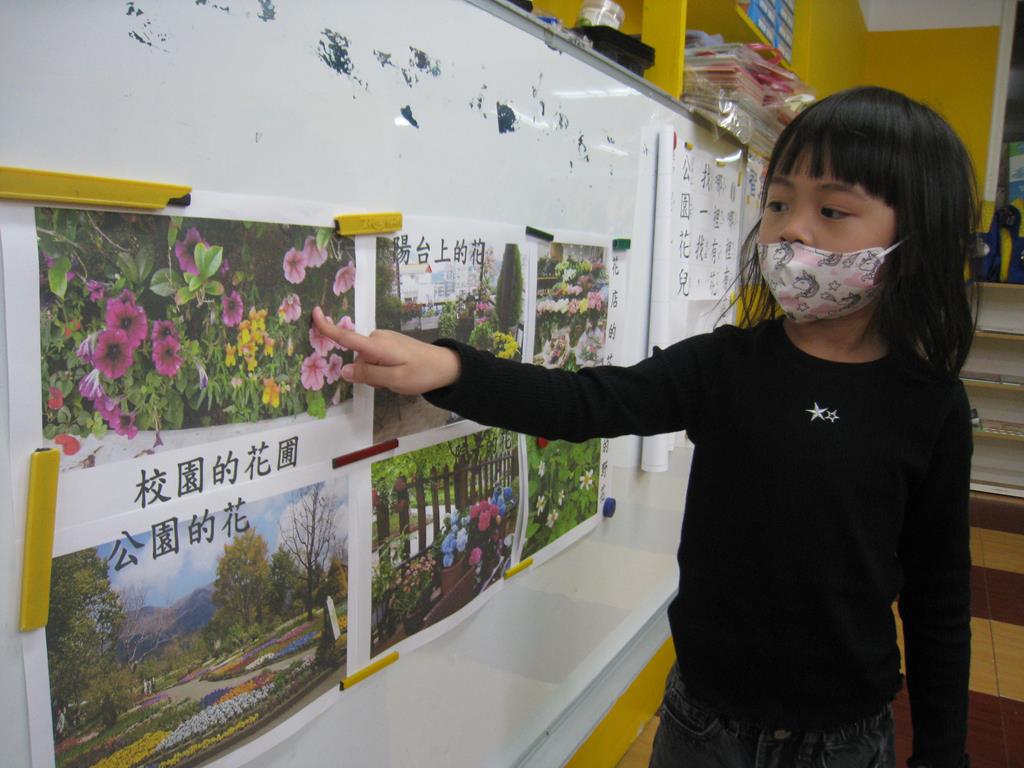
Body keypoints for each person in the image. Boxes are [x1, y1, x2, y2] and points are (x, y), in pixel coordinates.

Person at [313, 86, 975, 768]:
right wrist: (451, 367)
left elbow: (940, 600)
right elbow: (585, 403)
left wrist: (942, 755)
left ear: (916, 237)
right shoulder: (726, 365)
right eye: (778, 203)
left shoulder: (930, 406)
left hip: (841, 741)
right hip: (703, 726)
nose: (791, 231)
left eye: (831, 211)